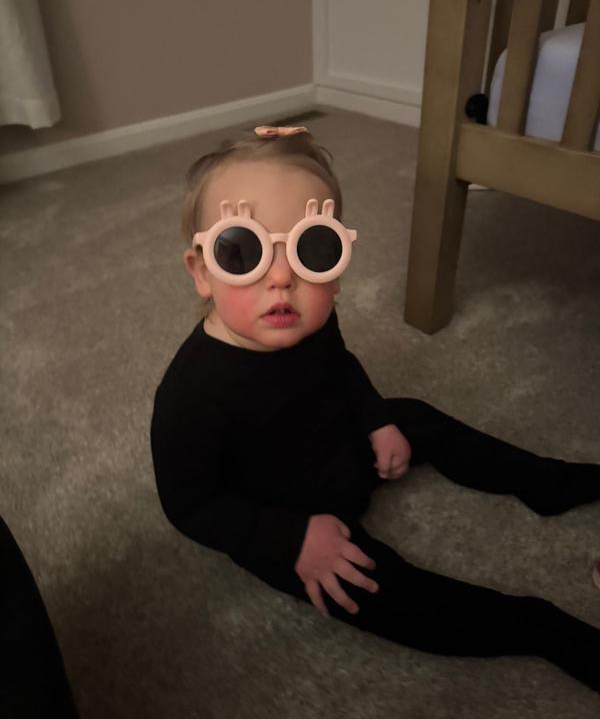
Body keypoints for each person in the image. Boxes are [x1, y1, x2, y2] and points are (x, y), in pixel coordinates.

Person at [150, 125, 600, 694]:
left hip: (336, 447)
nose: (283, 277)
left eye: (313, 249)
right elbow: (190, 505)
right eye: (241, 251)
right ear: (201, 272)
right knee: (369, 588)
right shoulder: (190, 394)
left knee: (410, 414)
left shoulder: (311, 319)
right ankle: (540, 628)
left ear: (338, 266)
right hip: (287, 514)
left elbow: (340, 368)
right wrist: (286, 539)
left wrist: (375, 419)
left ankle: (547, 481)